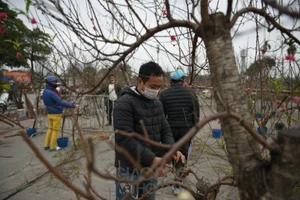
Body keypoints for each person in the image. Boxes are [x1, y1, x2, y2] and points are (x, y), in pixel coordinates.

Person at [113, 61, 186, 200]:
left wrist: (173, 150)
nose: (156, 90)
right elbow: (124, 139)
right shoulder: (124, 104)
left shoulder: (157, 103)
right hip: (128, 168)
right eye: (153, 86)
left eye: (159, 86)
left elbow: (165, 129)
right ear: (140, 81)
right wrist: (152, 159)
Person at [159, 69, 200, 194]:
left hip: (170, 129)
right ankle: (178, 183)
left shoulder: (164, 94)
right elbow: (196, 114)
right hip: (186, 129)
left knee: (174, 152)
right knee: (183, 153)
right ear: (183, 80)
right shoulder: (191, 93)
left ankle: (177, 176)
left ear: (171, 81)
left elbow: (162, 115)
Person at [42, 76, 79, 152]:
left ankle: (46, 145)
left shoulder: (45, 92)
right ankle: (52, 147)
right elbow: (61, 102)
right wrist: (73, 106)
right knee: (55, 130)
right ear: (51, 83)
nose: (56, 84)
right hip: (56, 114)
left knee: (50, 129)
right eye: (55, 82)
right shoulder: (52, 93)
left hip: (49, 113)